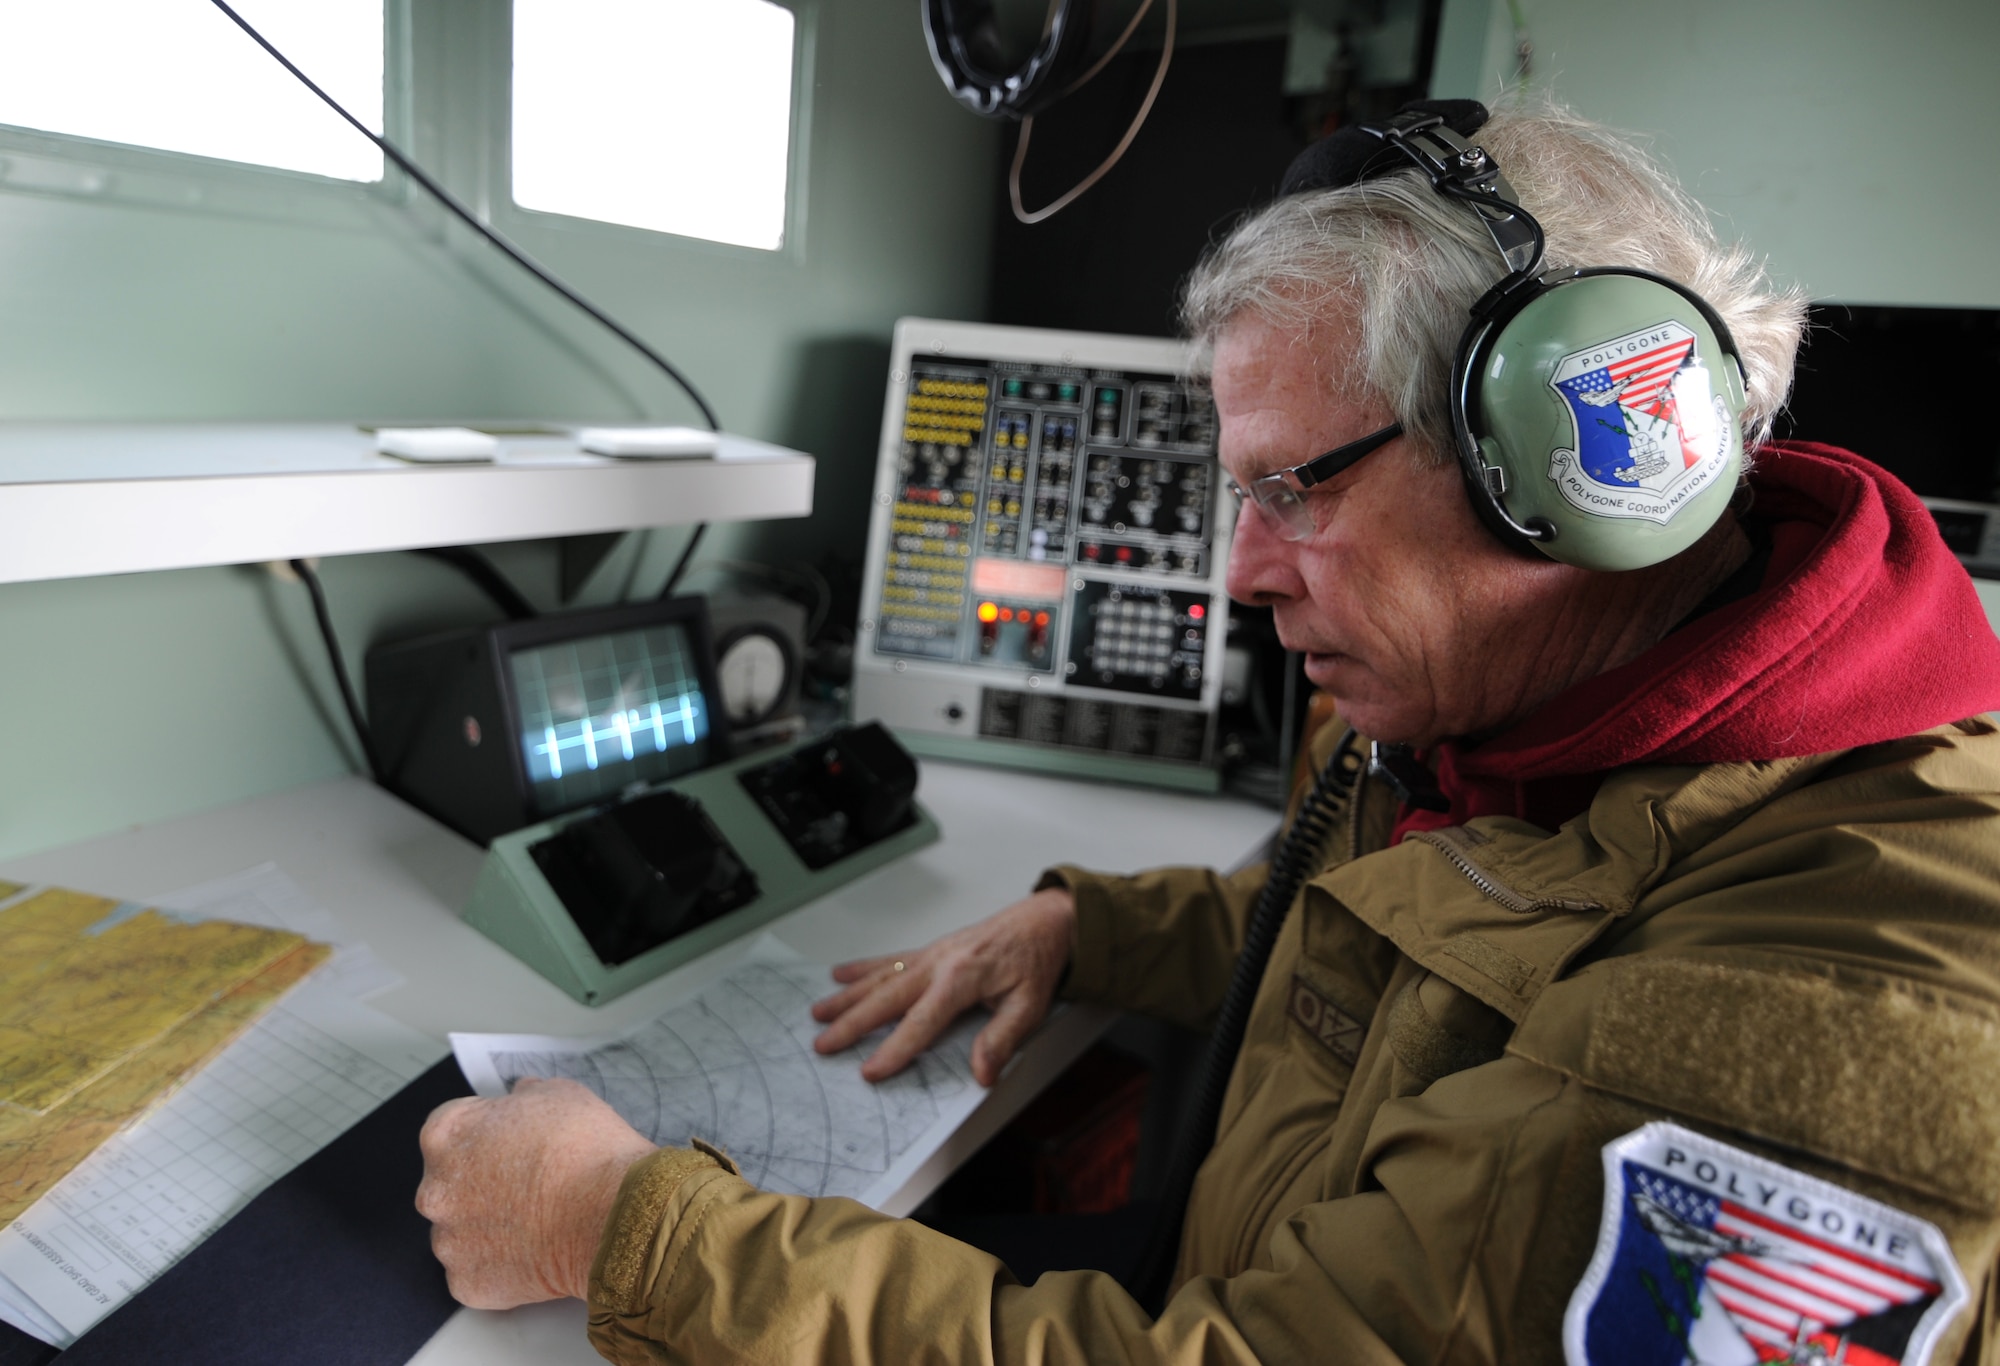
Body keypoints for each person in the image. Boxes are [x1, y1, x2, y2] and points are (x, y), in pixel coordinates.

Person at [416, 100, 2000, 1365]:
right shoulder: (1514, 717)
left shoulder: (1845, 999)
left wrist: (621, 1228)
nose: (1242, 574)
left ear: (1559, 455)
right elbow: (1419, 951)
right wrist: (1089, 924)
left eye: (1294, 488)